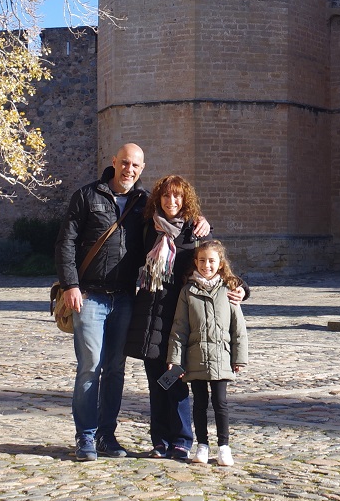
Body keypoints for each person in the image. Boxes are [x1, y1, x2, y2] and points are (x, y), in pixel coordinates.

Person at [57, 144, 210, 461]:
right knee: (90, 368)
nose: (129, 169)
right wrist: (71, 284)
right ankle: (86, 437)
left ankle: (106, 437)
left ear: (142, 168)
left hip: (127, 298)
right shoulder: (87, 196)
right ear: (113, 163)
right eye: (124, 163)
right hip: (90, 296)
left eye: (136, 165)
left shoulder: (144, 205)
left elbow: (193, 241)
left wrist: (201, 220)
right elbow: (66, 242)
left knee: (116, 371)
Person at [126, 176, 246, 463]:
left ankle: (181, 440)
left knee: (176, 382)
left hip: (183, 324)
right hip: (152, 320)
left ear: (185, 200)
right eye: (166, 196)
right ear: (158, 199)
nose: (171, 202)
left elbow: (216, 266)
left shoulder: (195, 232)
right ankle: (160, 440)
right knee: (158, 383)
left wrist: (243, 289)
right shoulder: (147, 229)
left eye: (177, 197)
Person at [166, 239, 248, 467]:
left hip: (221, 357)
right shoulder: (187, 291)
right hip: (196, 357)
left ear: (220, 263)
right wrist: (175, 358)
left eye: (211, 261)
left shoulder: (229, 290)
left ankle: (224, 446)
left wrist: (239, 358)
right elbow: (179, 328)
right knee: (199, 403)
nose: (206, 265)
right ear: (195, 262)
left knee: (220, 403)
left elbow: (238, 328)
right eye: (202, 261)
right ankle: (202, 444)